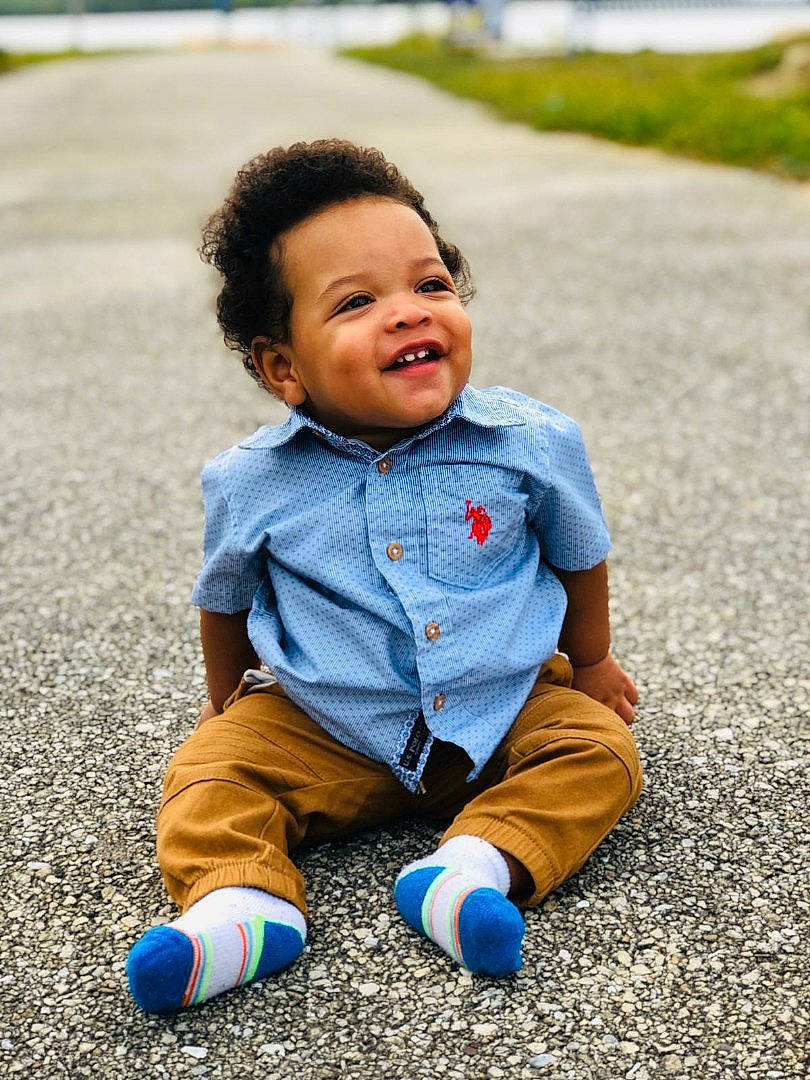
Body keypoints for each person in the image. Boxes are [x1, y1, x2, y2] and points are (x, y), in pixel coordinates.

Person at [126, 139, 642, 1013]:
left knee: (602, 751)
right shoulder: (253, 481)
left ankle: (471, 868)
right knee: (206, 778)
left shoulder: (528, 442)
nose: (409, 313)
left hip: (501, 701)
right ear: (282, 367)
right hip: (326, 718)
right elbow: (225, 602)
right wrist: (225, 704)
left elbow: (577, 551)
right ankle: (240, 905)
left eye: (430, 285)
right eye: (359, 302)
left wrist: (588, 662)